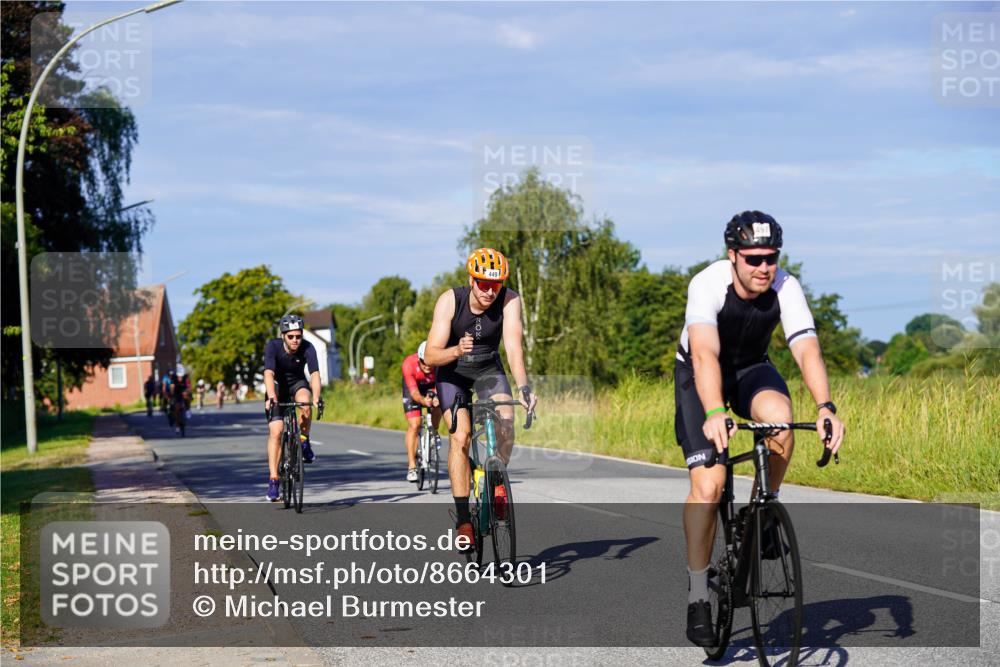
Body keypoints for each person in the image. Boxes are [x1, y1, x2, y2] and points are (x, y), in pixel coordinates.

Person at [676, 211, 846, 646]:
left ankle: (760, 512)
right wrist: (715, 411)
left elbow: (806, 349)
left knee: (781, 423)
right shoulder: (707, 284)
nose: (763, 267)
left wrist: (826, 406)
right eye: (753, 259)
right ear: (732, 255)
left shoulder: (786, 286)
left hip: (751, 368)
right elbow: (705, 356)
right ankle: (698, 595)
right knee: (710, 486)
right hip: (701, 375)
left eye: (770, 257)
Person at [423, 248, 538, 550]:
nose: (489, 291)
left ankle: (495, 483)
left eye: (495, 284)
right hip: (453, 373)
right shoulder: (451, 300)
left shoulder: (510, 300)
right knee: (460, 438)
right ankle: (463, 521)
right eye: (483, 284)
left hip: (488, 369)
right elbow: (432, 354)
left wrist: (524, 387)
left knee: (507, 421)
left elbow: (513, 346)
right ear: (471, 280)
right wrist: (456, 351)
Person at [263, 314, 324, 502]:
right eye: (291, 337)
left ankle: (304, 441)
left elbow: (314, 374)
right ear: (283, 336)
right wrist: (271, 396)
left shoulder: (308, 347)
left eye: (298, 336)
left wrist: (316, 397)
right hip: (278, 388)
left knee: (305, 405)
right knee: (276, 431)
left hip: (297, 384)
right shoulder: (273, 346)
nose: (295, 340)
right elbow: (268, 373)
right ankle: (274, 480)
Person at [401, 341, 441, 482]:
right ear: (419, 359)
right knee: (415, 424)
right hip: (414, 390)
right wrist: (424, 401)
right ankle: (412, 466)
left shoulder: (439, 365)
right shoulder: (409, 364)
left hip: (431, 387)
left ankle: (434, 432)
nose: (427, 366)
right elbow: (414, 392)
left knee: (439, 405)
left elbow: (442, 386)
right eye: (424, 363)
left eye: (430, 363)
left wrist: (437, 398)